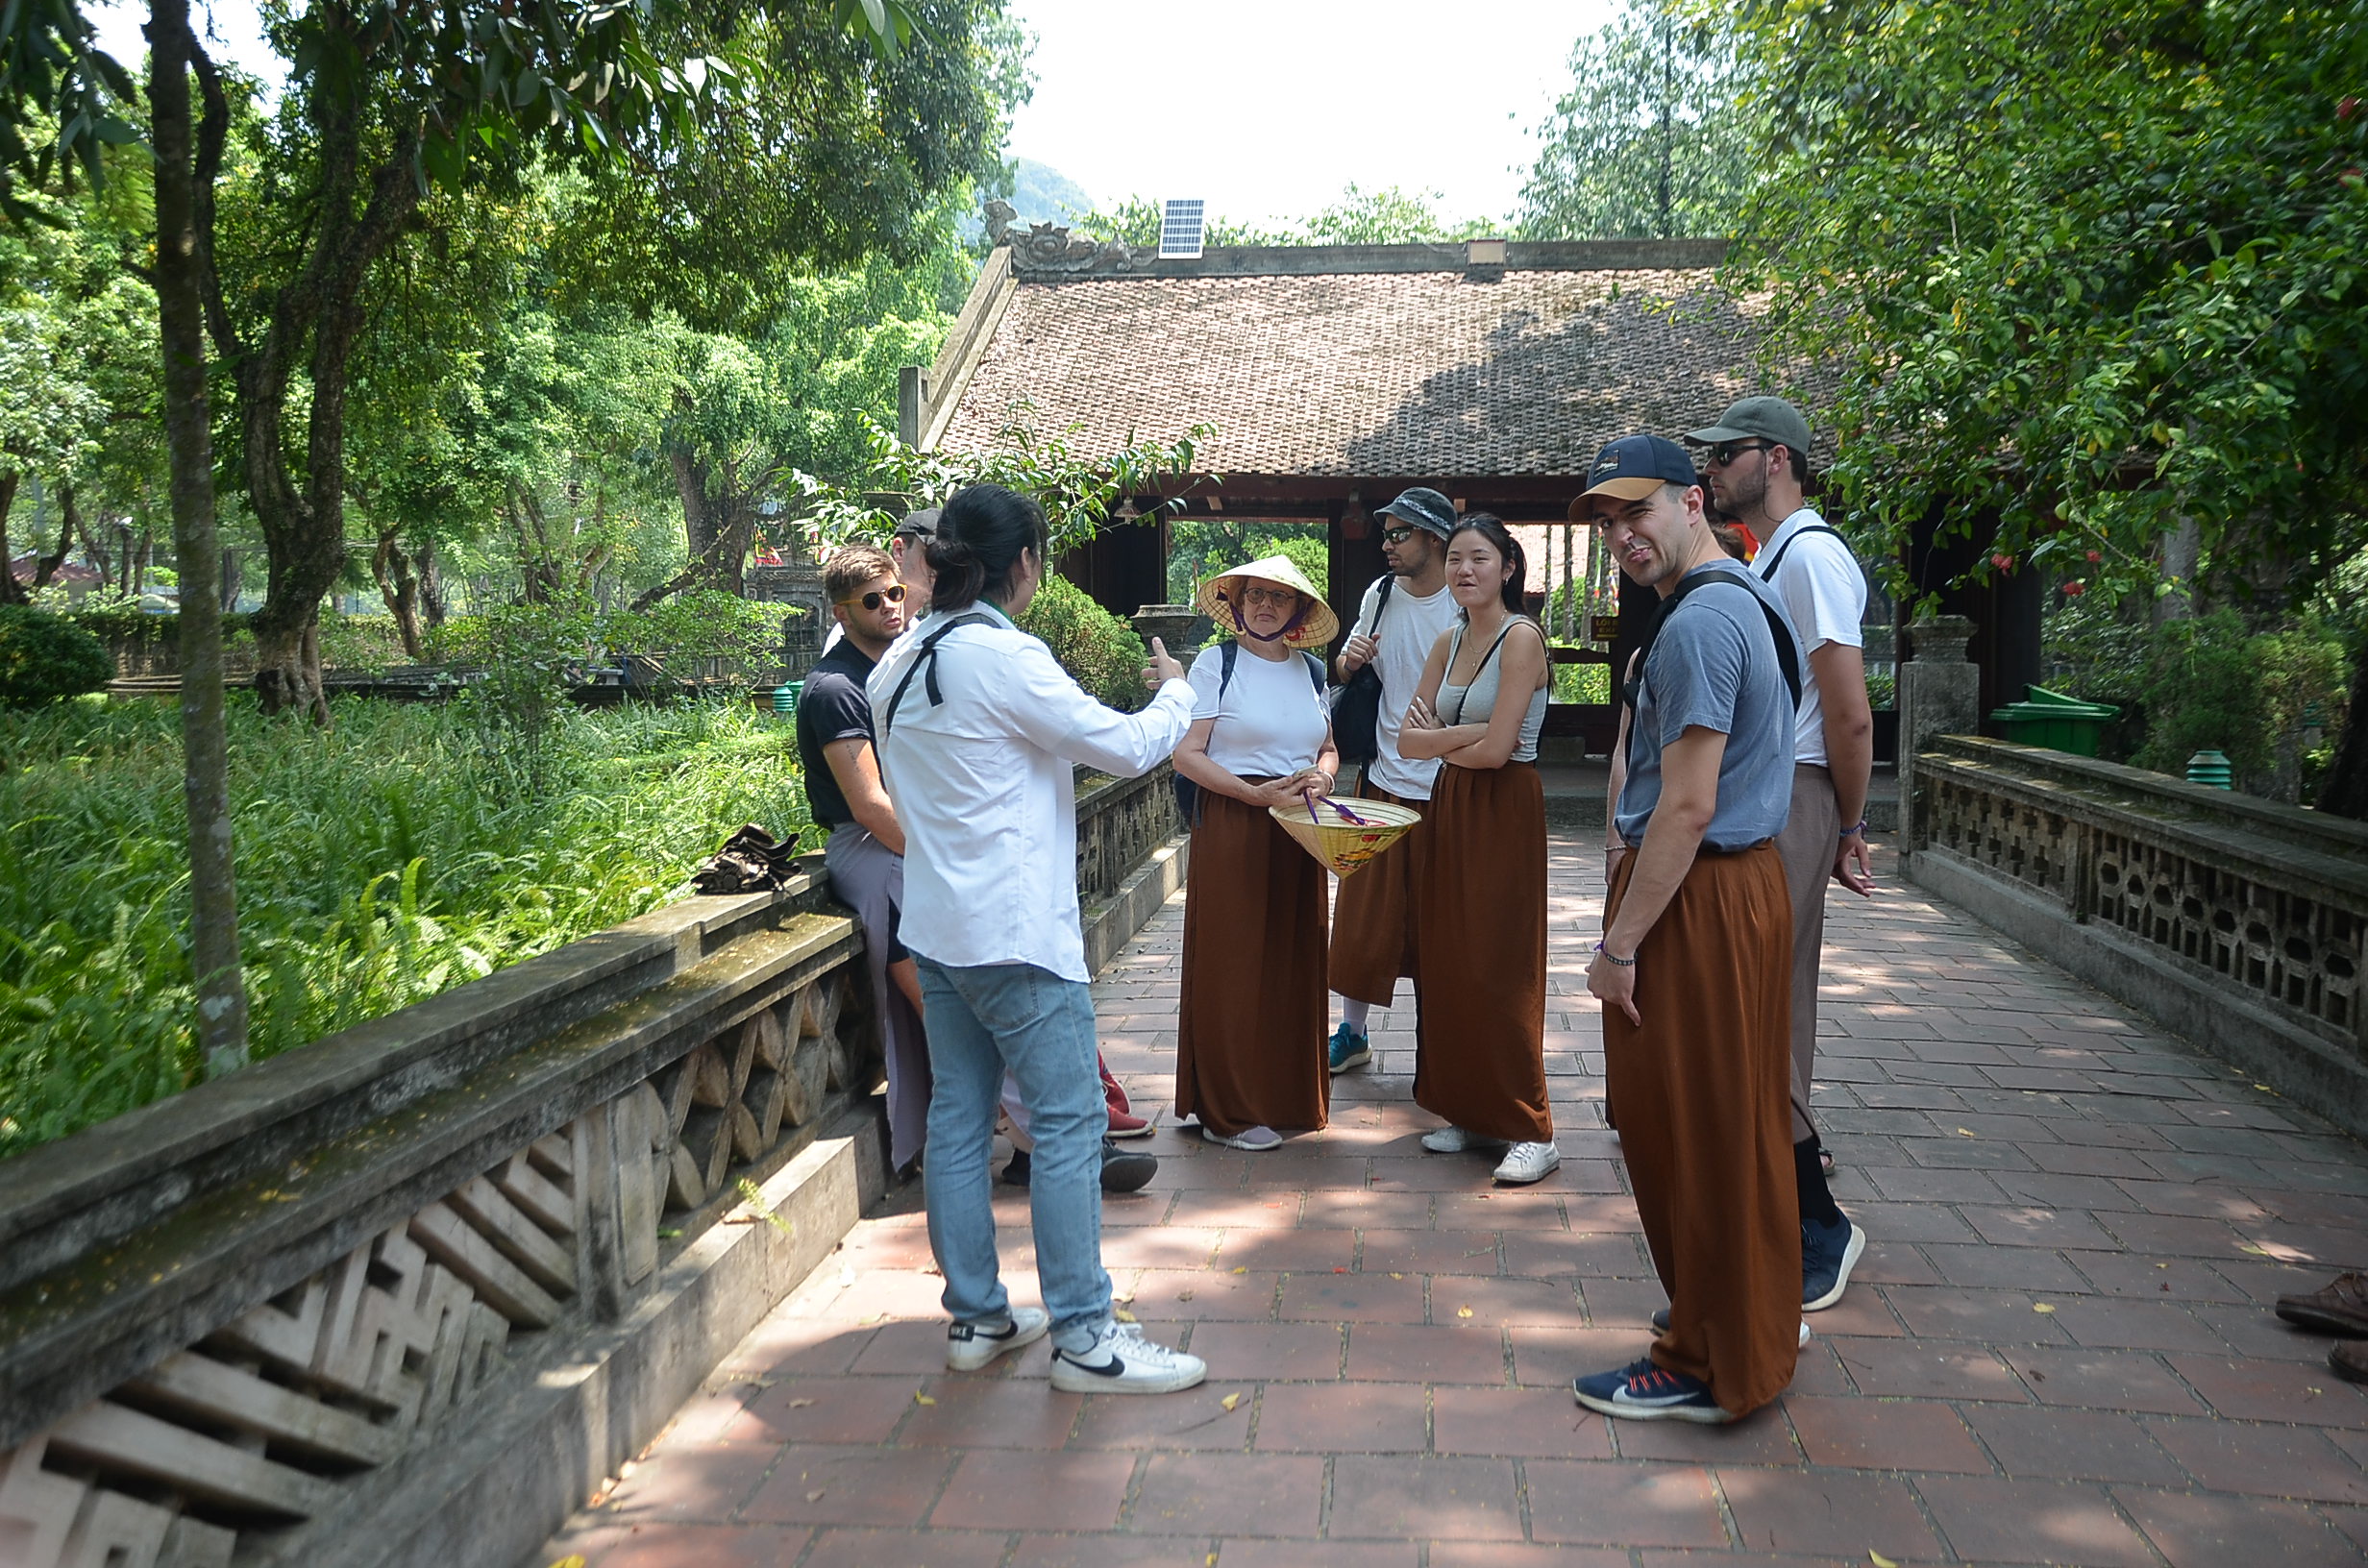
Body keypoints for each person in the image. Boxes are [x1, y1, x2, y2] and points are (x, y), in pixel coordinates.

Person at [869, 482, 1206, 1394]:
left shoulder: (895, 664)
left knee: (958, 1117)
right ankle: (1086, 1337)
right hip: (1015, 936)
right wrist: (1178, 695)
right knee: (1068, 1122)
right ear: (1026, 564)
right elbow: (1128, 746)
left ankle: (977, 1316)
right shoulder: (1003, 658)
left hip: (937, 929)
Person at [1570, 433, 1803, 1424]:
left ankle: (1705, 1357)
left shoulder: (1706, 620)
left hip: (1701, 899)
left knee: (1689, 1132)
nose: (1624, 534)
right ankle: (1735, 1330)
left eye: (1640, 510)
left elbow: (1688, 805)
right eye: (1609, 521)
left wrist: (1618, 944)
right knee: (1725, 1127)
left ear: (1693, 501)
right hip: (1727, 892)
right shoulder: (1732, 599)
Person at [1688, 396, 1871, 1308]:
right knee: (1759, 1008)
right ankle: (1782, 1204)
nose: (1713, 469)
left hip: (1797, 797)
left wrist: (1845, 824)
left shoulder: (1814, 558)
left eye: (1729, 453)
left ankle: (1819, 1224)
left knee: (1768, 1014)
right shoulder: (1776, 558)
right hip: (1773, 797)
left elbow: (1848, 711)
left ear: (1781, 460)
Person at [1395, 515, 1559, 1185]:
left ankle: (1530, 1126)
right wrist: (1459, 737)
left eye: (1480, 559)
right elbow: (1407, 743)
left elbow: (1499, 752)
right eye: (1457, 559)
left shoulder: (1521, 639)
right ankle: (1467, 1107)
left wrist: (1446, 736)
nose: (1465, 570)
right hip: (1451, 807)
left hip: (1505, 808)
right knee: (1451, 958)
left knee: (1501, 962)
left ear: (1507, 568)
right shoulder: (1448, 639)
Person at [1172, 556, 1341, 1151]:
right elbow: (1187, 754)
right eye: (1254, 596)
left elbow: (1326, 746)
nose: (1265, 605)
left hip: (1296, 829)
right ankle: (1230, 1111)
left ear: (1298, 611)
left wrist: (1322, 776)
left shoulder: (1312, 669)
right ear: (1237, 604)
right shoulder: (1216, 663)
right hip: (1235, 824)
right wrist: (1250, 793)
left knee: (1292, 959)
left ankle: (1286, 1095)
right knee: (1235, 962)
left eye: (1279, 597)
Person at [797, 545, 930, 1171]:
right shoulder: (834, 688)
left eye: (894, 594)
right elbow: (871, 807)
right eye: (871, 601)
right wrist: (944, 861)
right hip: (875, 847)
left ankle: (1020, 1130)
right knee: (942, 1000)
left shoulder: (903, 669)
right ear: (841, 612)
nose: (888, 608)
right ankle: (1036, 1133)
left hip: (921, 837)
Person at [1325, 488, 1466, 1072]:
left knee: (1443, 923)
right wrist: (1348, 661)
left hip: (1447, 786)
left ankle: (1441, 1044)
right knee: (1364, 919)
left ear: (1435, 538)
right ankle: (1352, 1033)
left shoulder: (1464, 602)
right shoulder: (1379, 595)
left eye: (1399, 533)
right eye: (1384, 532)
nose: (1385, 543)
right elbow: (1342, 670)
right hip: (1383, 777)